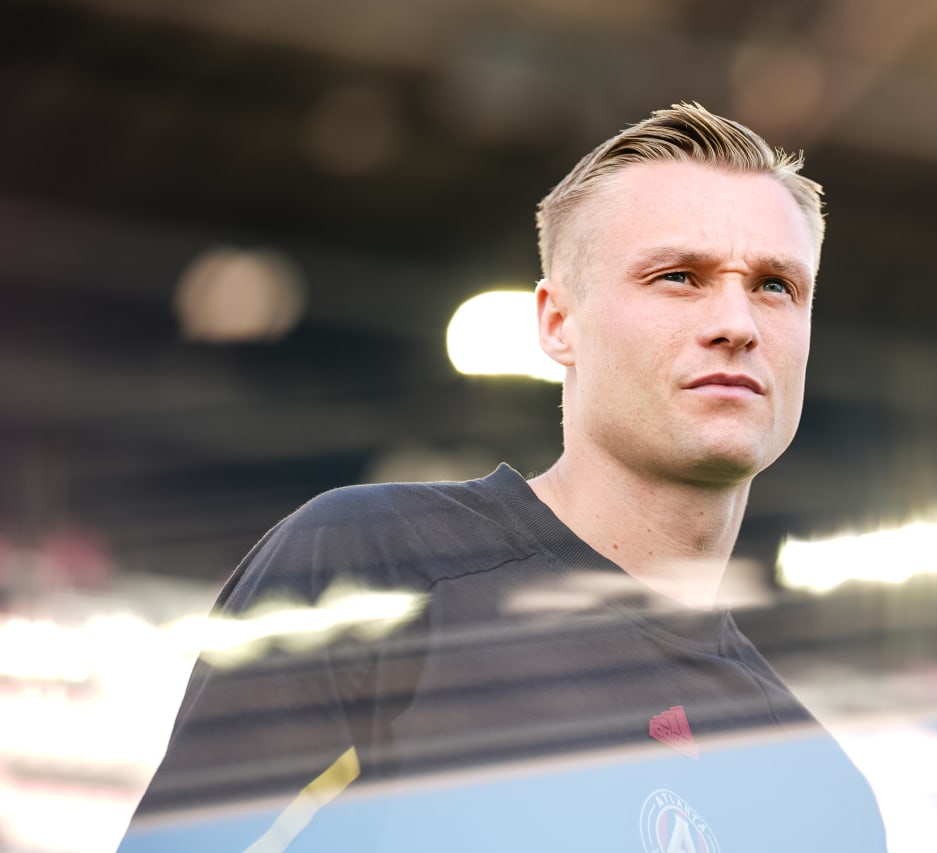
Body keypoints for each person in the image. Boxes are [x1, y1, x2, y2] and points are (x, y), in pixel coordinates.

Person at [118, 103, 886, 852]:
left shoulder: (826, 799)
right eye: (680, 276)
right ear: (558, 323)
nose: (738, 323)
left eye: (776, 285)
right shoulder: (372, 564)